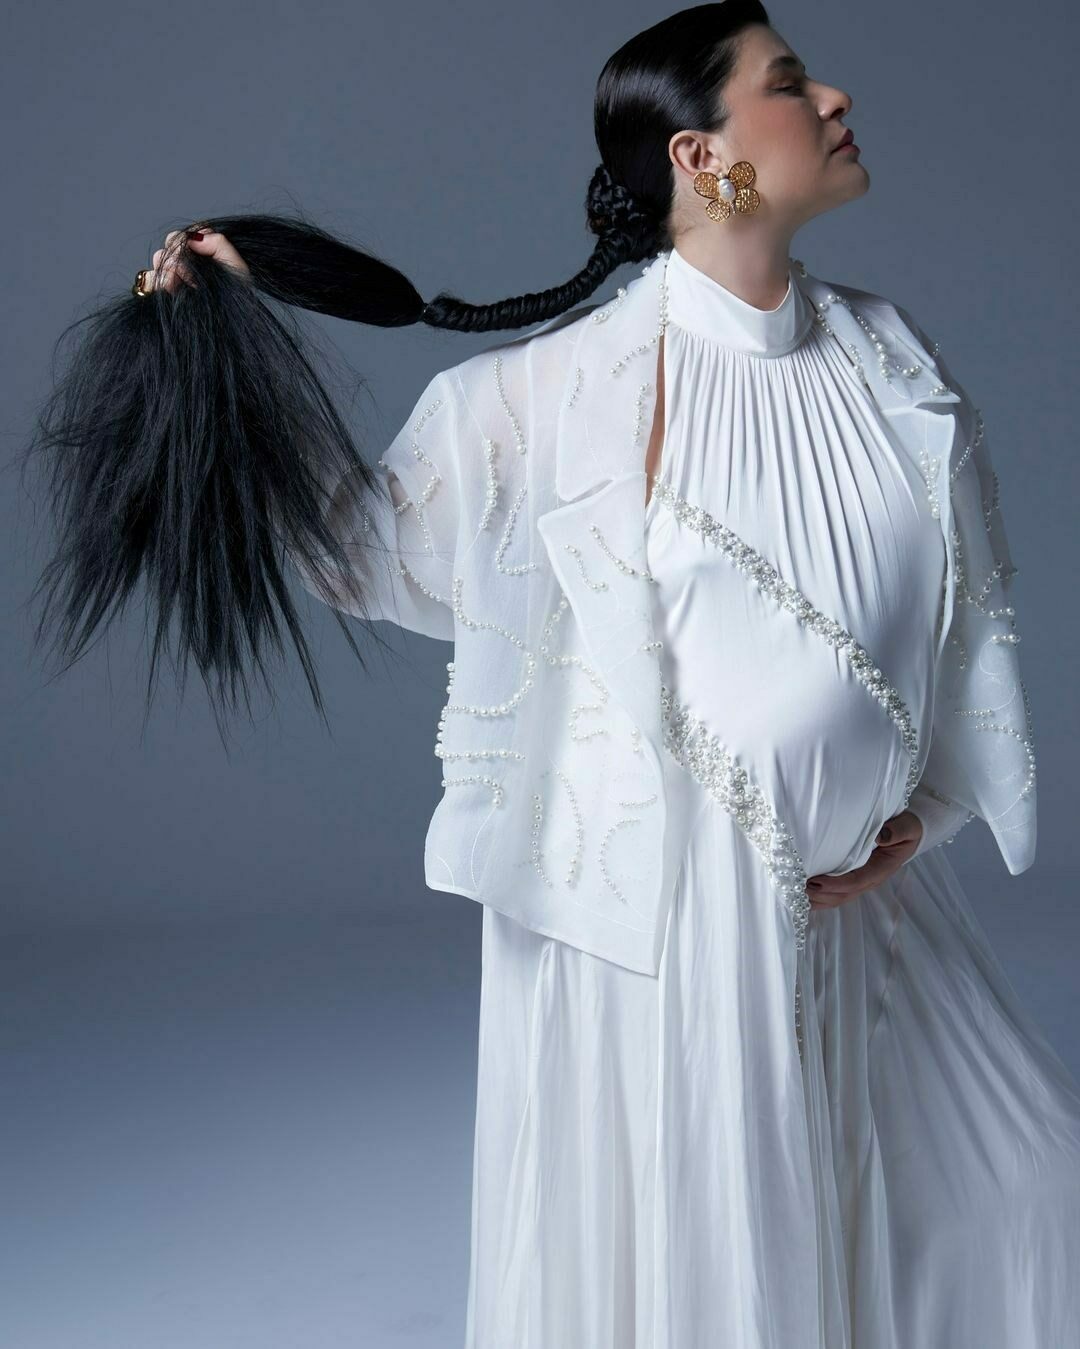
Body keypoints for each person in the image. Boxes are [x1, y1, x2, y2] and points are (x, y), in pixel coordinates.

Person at [24, 3, 1080, 1344]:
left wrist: (924, 807)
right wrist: (208, 337)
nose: (833, 100)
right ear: (701, 157)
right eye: (789, 82)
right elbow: (355, 552)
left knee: (1026, 1193)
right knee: (731, 1276)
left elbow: (959, 611)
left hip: (869, 910)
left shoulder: (890, 358)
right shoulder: (549, 396)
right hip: (675, 927)